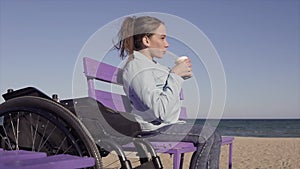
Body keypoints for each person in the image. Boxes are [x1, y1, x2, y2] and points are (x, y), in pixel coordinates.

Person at [114, 16, 221, 169]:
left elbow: (166, 87)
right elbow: (159, 111)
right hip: (151, 130)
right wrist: (176, 76)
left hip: (165, 126)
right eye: (162, 38)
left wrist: (180, 74)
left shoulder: (150, 66)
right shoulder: (136, 67)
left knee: (212, 134)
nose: (167, 44)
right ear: (146, 40)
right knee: (210, 135)